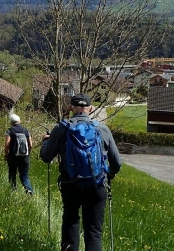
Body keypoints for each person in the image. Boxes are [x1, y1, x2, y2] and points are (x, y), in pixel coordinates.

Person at [40, 93, 122, 251]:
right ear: (90, 109)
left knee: (71, 221)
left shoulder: (61, 128)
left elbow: (46, 157)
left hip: (71, 184)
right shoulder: (102, 129)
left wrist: (46, 141)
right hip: (97, 184)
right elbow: (117, 163)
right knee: (93, 231)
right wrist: (110, 173)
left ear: (71, 108)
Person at [4, 113, 33, 194]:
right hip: (25, 157)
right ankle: (29, 189)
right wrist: (28, 154)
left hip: (13, 157)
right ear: (19, 121)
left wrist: (6, 155)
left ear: (11, 122)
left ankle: (13, 192)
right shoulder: (26, 130)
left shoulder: (9, 130)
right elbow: (31, 145)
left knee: (12, 174)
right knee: (24, 175)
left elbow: (7, 145)